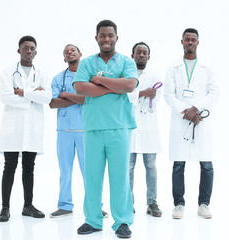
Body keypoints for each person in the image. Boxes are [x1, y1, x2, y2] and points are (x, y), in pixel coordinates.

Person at [73, 20, 138, 238]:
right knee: (92, 177)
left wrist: (99, 81)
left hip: (119, 127)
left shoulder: (127, 62)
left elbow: (129, 85)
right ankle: (93, 220)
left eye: (110, 35)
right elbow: (82, 88)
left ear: (116, 37)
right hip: (92, 127)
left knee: (120, 178)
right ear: (97, 38)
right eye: (102, 35)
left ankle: (122, 222)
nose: (106, 39)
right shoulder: (87, 62)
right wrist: (114, 86)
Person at [163, 28, 219, 219]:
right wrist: (187, 112)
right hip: (182, 121)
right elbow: (168, 95)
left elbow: (214, 93)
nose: (189, 42)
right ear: (182, 42)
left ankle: (204, 204)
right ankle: (178, 204)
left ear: (197, 42)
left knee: (206, 165)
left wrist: (196, 108)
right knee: (178, 164)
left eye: (193, 40)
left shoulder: (207, 67)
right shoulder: (173, 67)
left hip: (201, 121)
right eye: (187, 39)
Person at [0, 36, 52, 222]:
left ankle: (28, 205)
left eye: (32, 48)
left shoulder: (42, 72)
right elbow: (5, 96)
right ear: (19, 50)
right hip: (12, 127)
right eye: (26, 48)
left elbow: (47, 98)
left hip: (33, 127)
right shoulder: (8, 71)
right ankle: (5, 208)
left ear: (36, 52)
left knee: (29, 167)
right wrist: (33, 96)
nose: (29, 51)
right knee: (9, 167)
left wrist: (22, 92)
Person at [49, 44, 108, 218]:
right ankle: (65, 205)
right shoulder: (58, 78)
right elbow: (52, 103)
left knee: (90, 171)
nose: (69, 53)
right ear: (64, 58)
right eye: (66, 52)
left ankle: (95, 206)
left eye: (72, 50)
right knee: (65, 171)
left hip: (86, 130)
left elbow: (91, 99)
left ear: (80, 54)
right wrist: (79, 98)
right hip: (64, 131)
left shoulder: (89, 77)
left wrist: (66, 95)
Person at [128, 42, 162, 217]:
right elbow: (124, 96)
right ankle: (128, 202)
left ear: (149, 56)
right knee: (129, 167)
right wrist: (141, 93)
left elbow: (155, 99)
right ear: (132, 55)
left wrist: (139, 94)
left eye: (144, 53)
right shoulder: (126, 74)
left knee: (151, 167)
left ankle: (152, 202)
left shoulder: (155, 75)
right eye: (138, 52)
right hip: (130, 127)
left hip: (149, 127)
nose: (141, 55)